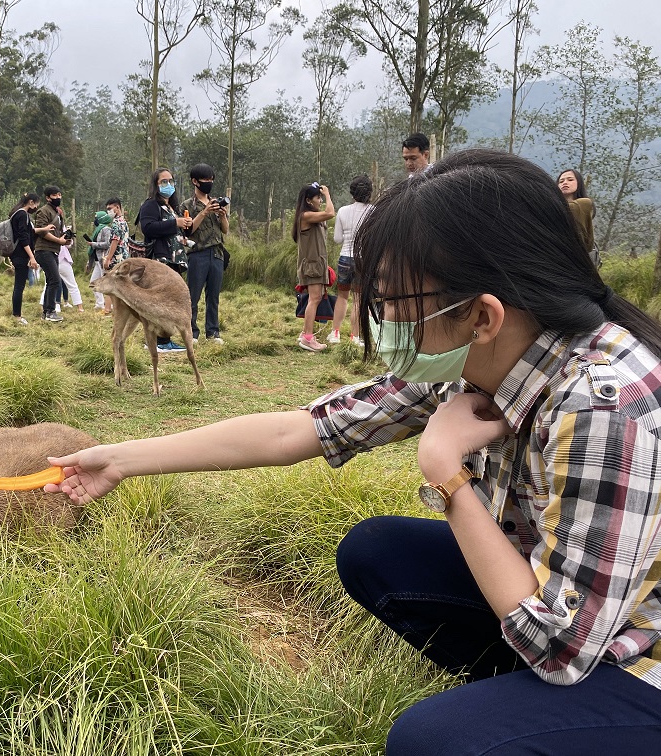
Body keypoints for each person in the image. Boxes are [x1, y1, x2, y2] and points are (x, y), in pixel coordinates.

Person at [46, 148, 661, 754]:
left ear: (482, 314)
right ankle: (511, 706)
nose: (384, 317)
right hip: (563, 603)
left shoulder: (604, 405)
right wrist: (122, 458)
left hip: (635, 656)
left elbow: (560, 647)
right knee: (376, 552)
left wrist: (447, 475)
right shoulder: (477, 356)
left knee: (430, 741)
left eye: (395, 301)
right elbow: (298, 431)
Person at [139, 167, 193, 352]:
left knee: (170, 300)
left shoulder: (172, 206)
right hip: (160, 260)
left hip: (174, 259)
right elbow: (148, 227)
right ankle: (157, 342)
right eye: (164, 181)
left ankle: (165, 339)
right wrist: (174, 223)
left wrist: (182, 230)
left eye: (171, 181)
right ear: (155, 184)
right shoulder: (150, 205)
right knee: (160, 300)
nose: (168, 184)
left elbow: (171, 230)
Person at [181, 163, 229, 344]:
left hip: (216, 253)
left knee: (214, 295)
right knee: (192, 295)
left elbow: (225, 230)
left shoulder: (216, 202)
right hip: (197, 253)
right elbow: (188, 230)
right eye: (205, 180)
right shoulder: (187, 205)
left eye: (211, 180)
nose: (209, 183)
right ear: (195, 181)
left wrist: (223, 215)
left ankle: (213, 332)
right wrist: (204, 212)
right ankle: (191, 332)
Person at [328, 175, 372, 347]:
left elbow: (338, 239)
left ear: (352, 193)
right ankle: (355, 336)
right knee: (359, 299)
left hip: (345, 258)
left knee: (342, 297)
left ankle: (335, 333)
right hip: (363, 260)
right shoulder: (374, 211)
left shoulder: (343, 211)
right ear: (369, 192)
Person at [293, 181, 335, 352]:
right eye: (318, 198)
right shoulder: (305, 216)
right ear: (309, 200)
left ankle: (306, 332)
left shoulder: (311, 216)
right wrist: (328, 194)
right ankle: (308, 337)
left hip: (316, 264)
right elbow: (331, 213)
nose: (320, 201)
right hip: (312, 265)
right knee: (314, 299)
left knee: (314, 298)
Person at [34, 185, 68, 323]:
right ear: (48, 198)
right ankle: (50, 311)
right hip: (44, 249)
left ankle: (47, 312)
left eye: (59, 194)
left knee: (51, 281)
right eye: (54, 195)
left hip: (54, 250)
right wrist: (58, 240)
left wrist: (65, 239)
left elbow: (57, 232)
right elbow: (42, 231)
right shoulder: (43, 211)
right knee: (55, 280)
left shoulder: (58, 212)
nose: (58, 197)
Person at [10, 192, 42, 325]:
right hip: (20, 255)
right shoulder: (22, 214)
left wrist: (44, 229)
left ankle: (16, 314)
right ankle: (17, 316)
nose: (36, 207)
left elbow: (30, 232)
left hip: (17, 254)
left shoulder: (17, 213)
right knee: (19, 286)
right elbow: (24, 238)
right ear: (31, 202)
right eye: (37, 204)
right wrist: (31, 256)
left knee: (19, 285)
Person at [557, 168, 599, 267]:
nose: (565, 183)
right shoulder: (553, 206)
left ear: (579, 183)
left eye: (570, 180)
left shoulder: (584, 203)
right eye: (561, 181)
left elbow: (569, 208)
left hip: (579, 259)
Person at [87, 209, 114, 311]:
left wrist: (93, 244)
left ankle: (110, 305)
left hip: (103, 259)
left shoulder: (106, 229)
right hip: (97, 260)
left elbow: (107, 243)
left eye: (96, 218)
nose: (95, 220)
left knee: (107, 283)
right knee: (93, 282)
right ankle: (100, 304)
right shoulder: (98, 229)